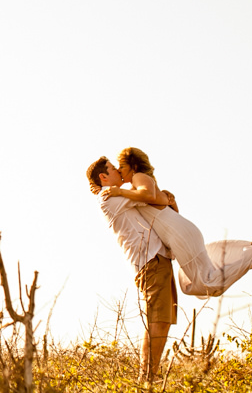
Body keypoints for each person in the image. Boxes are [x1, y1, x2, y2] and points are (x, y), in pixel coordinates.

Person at [103, 147, 252, 297]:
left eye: (122, 166)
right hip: (180, 231)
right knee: (192, 283)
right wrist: (168, 199)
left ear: (133, 166)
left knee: (207, 284)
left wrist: (119, 192)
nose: (119, 170)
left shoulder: (139, 177)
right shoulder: (137, 187)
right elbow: (165, 206)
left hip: (179, 234)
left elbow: (148, 195)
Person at [87, 155, 176, 384]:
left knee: (162, 320)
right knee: (156, 320)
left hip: (156, 259)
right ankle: (146, 379)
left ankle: (150, 376)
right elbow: (153, 197)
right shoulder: (109, 197)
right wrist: (167, 196)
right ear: (104, 177)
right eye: (114, 169)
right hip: (150, 261)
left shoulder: (116, 196)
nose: (119, 172)